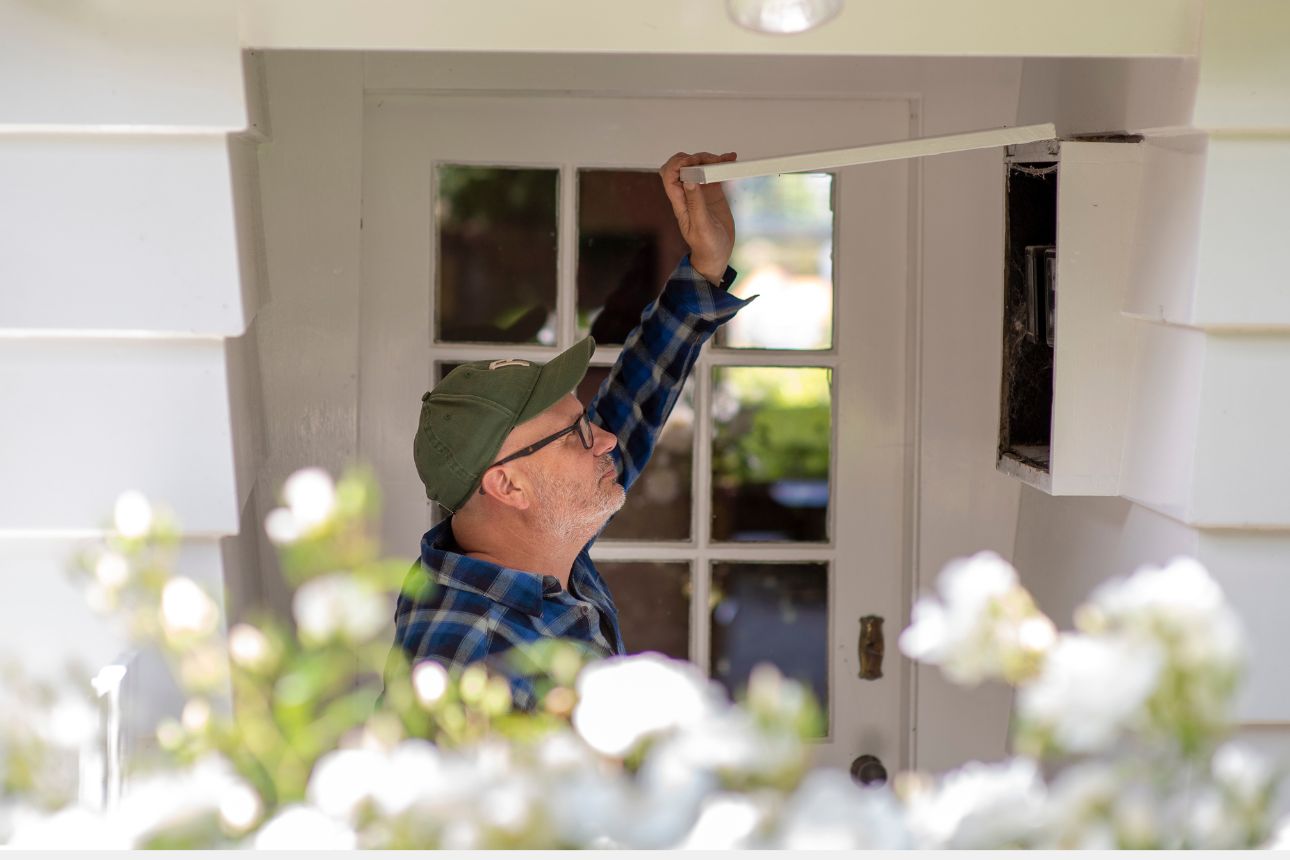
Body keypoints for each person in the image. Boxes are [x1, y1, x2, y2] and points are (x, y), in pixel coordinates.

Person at [387, 151, 751, 709]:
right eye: (579, 435)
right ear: (508, 487)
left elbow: (633, 400)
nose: (605, 439)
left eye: (585, 423)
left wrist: (705, 266)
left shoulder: (529, 548)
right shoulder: (468, 663)